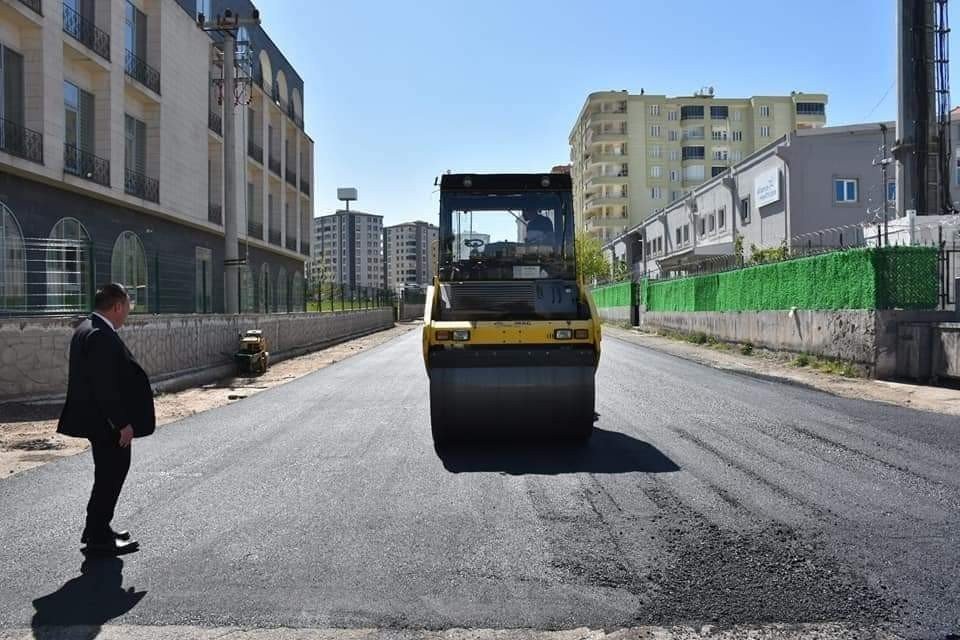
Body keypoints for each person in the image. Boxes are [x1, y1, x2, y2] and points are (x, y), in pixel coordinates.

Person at [57, 283, 155, 555]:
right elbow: (104, 387)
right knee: (111, 475)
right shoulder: (99, 335)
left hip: (97, 420)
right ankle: (98, 535)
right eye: (128, 306)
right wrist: (122, 424)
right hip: (106, 424)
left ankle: (97, 528)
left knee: (107, 474)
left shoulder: (87, 328)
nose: (128, 312)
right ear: (117, 306)